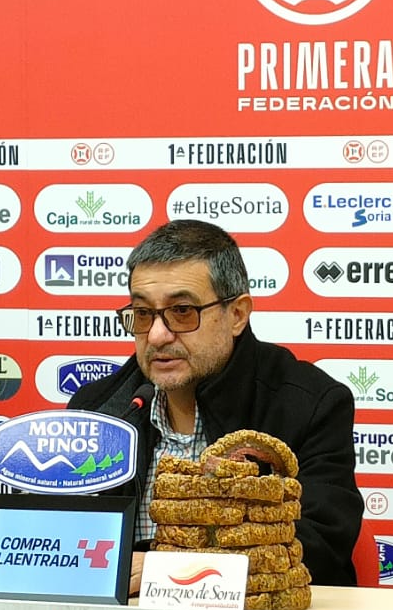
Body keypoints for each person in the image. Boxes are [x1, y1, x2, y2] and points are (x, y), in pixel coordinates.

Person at [68, 219, 364, 586]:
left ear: (237, 314)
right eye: (143, 314)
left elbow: (318, 549)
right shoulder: (99, 408)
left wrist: (166, 571)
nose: (158, 335)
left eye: (182, 312)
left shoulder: (309, 403)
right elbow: (66, 547)